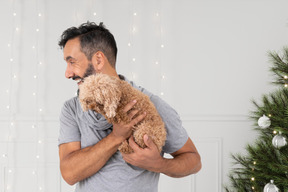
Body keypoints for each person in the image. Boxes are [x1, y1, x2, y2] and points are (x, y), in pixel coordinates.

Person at [58, 21, 201, 192]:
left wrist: (159, 164)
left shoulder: (150, 104)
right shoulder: (72, 109)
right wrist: (116, 136)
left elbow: (194, 161)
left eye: (72, 62)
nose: (67, 73)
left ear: (98, 59)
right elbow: (69, 174)